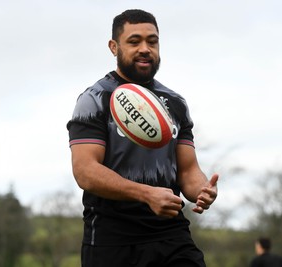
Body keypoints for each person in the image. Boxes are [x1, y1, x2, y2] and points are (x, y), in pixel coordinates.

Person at [67, 9, 218, 267]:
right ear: (114, 47)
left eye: (152, 41)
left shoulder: (175, 103)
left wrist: (202, 190)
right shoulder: (94, 99)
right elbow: (85, 171)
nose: (145, 48)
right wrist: (146, 194)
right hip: (111, 239)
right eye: (134, 41)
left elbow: (188, 170)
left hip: (170, 233)